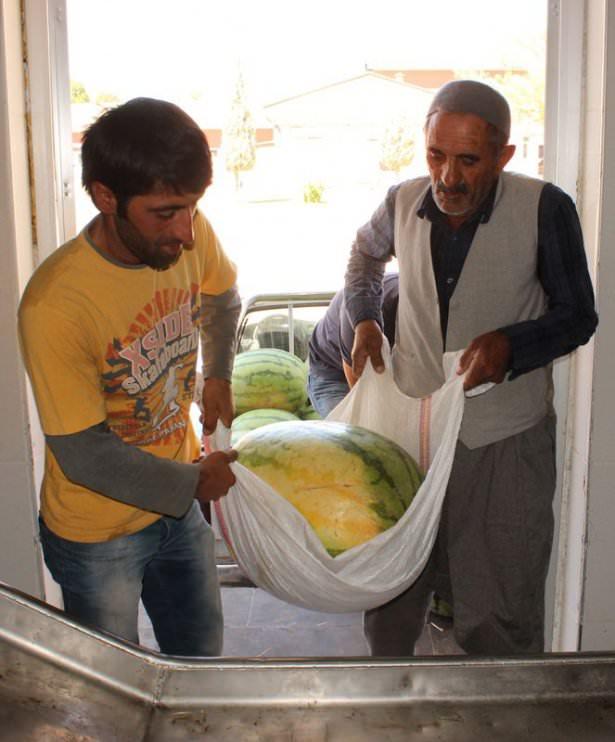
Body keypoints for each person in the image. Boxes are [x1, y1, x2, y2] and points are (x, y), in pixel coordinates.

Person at [344, 80, 598, 656]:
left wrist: (511, 345)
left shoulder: (545, 208)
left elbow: (578, 316)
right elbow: (364, 255)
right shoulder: (402, 201)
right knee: (390, 596)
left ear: (504, 155)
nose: (447, 177)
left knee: (498, 611)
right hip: (411, 435)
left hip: (502, 444)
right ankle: (390, 693)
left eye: (468, 160)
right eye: (435, 155)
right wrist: (364, 320)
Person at [18, 98, 242, 657]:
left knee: (199, 666)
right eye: (165, 213)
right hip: (97, 534)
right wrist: (193, 485)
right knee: (115, 687)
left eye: (192, 207)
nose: (187, 233)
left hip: (178, 508)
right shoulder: (56, 304)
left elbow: (221, 296)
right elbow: (85, 455)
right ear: (105, 197)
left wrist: (217, 374)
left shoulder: (188, 228)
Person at [307, 273, 399, 417]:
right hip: (333, 373)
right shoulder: (363, 307)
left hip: (383, 374)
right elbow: (358, 384)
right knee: (353, 426)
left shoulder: (430, 312)